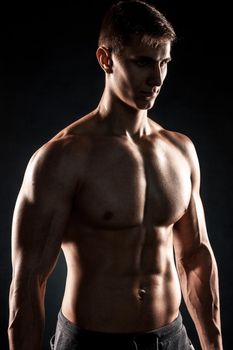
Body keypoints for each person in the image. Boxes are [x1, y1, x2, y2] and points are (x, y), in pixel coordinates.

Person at [8, 0, 223, 349]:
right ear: (106, 59)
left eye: (164, 62)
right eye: (142, 62)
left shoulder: (180, 151)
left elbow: (196, 256)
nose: (156, 78)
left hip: (171, 339)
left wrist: (214, 344)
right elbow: (28, 282)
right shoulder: (62, 158)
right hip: (90, 342)